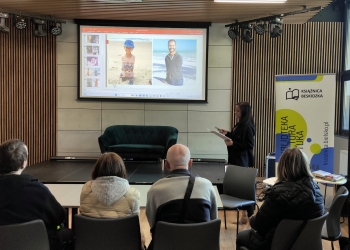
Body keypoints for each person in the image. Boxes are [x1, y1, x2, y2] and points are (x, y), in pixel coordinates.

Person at [236, 148, 324, 250]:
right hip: (306, 245)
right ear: (305, 166)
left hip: (276, 244)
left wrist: (252, 219)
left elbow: (258, 224)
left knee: (241, 236)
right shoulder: (317, 191)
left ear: (282, 167)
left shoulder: (278, 195)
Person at [0, 139, 74, 250]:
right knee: (68, 234)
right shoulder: (37, 190)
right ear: (23, 163)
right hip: (38, 244)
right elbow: (59, 217)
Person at [146, 144, 218, 249]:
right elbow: (213, 220)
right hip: (201, 245)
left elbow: (153, 225)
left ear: (167, 164)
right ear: (190, 163)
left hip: (167, 246)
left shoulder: (155, 189)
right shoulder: (207, 185)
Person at [79, 152, 145, 249]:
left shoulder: (85, 189)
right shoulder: (133, 193)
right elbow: (135, 228)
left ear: (96, 169)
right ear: (121, 169)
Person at [218, 101, 255, 223]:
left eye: (237, 111)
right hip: (236, 157)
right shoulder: (240, 124)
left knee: (243, 186)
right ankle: (245, 213)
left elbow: (249, 145)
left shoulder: (247, 125)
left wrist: (233, 143)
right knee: (239, 185)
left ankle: (248, 213)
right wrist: (227, 133)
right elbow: (236, 136)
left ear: (243, 112)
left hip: (242, 159)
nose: (235, 112)